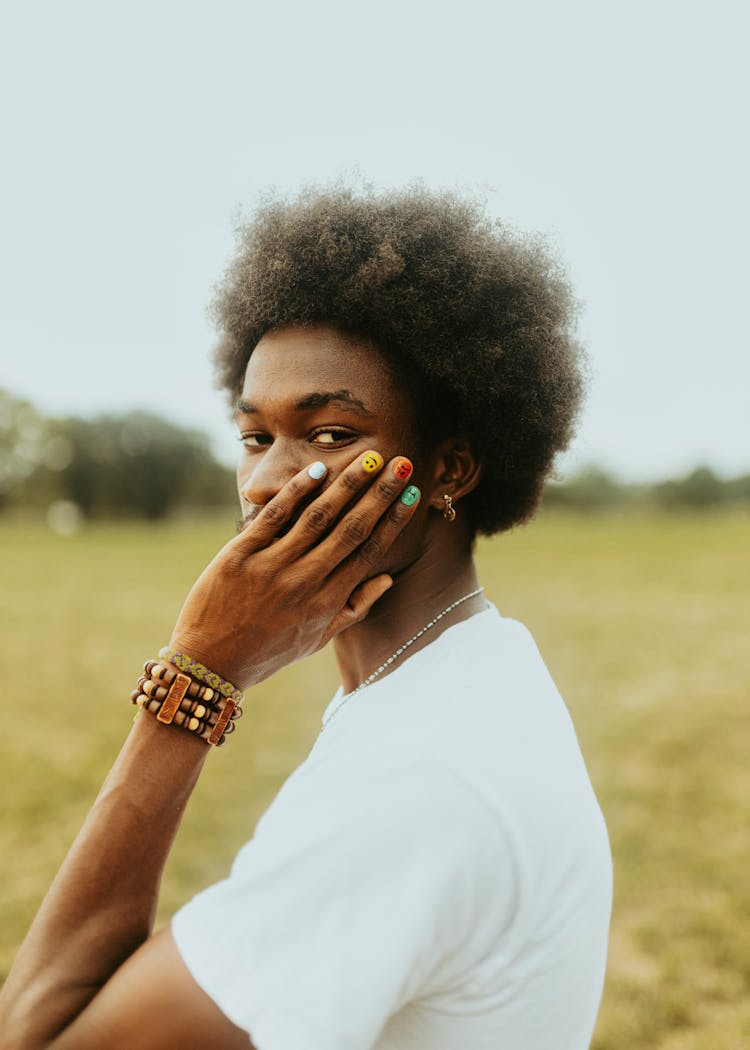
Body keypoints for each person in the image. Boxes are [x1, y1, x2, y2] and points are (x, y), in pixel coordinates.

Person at [0, 186, 612, 1049]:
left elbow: (38, 1033)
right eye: (255, 437)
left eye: (327, 433)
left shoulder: (423, 782)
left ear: (451, 470)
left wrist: (195, 675)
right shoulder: (472, 669)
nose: (261, 483)